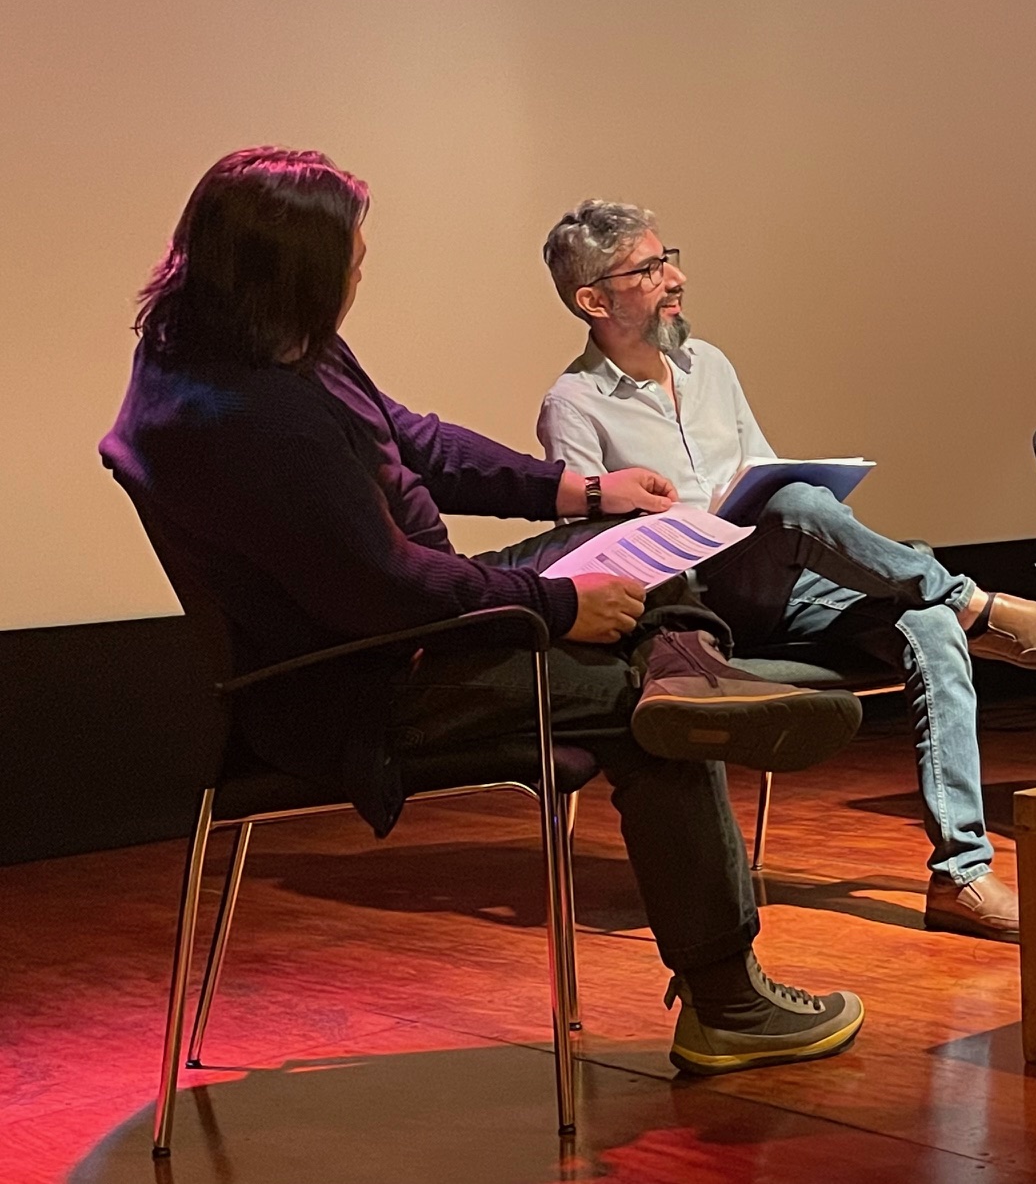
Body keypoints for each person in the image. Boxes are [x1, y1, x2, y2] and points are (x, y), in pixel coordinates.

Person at [101, 147, 866, 1076]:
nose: (360, 264)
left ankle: (692, 675)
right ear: (292, 268)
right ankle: (730, 999)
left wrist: (583, 492)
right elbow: (386, 589)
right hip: (372, 682)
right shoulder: (240, 416)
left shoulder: (258, 342)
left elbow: (415, 441)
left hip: (424, 619)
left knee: (658, 546)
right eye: (351, 249)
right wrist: (555, 602)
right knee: (649, 719)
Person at [534, 200, 1036, 944]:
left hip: (775, 584)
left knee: (919, 622)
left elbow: (756, 475)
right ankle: (971, 601)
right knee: (801, 505)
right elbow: (591, 545)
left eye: (668, 256)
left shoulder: (712, 367)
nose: (676, 278)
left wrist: (764, 497)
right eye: (649, 269)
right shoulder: (573, 403)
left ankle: (960, 875)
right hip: (691, 604)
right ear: (594, 300)